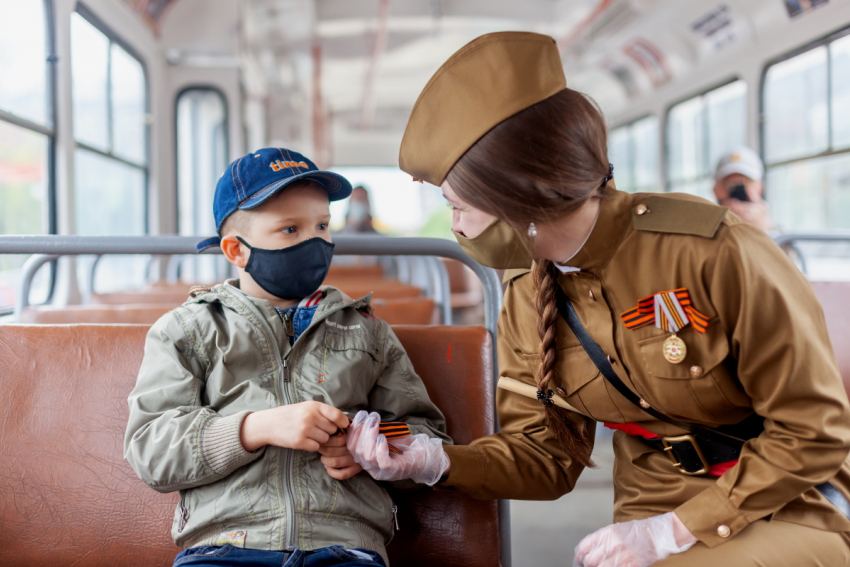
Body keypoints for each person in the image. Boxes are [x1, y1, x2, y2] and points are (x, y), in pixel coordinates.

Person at [346, 32, 850, 566]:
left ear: (520, 194)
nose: (456, 228)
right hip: (650, 503)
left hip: (786, 499)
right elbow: (548, 458)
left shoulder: (713, 251)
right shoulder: (527, 294)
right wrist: (435, 462)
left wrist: (676, 531)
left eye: (460, 206)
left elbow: (814, 432)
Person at [124, 147, 451, 567]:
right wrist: (252, 428)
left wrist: (371, 448)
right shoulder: (189, 330)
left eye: (322, 225)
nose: (313, 241)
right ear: (236, 250)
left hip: (344, 543)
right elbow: (152, 448)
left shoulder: (366, 330)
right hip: (225, 544)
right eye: (290, 230)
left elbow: (426, 434)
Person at [712, 147, 773, 233]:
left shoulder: (783, 240)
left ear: (761, 187)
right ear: (715, 190)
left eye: (744, 182)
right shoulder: (700, 237)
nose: (737, 190)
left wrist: (764, 229)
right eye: (729, 183)